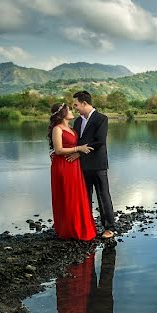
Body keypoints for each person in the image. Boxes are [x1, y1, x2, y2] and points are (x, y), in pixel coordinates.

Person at [70, 91, 116, 239]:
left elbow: (100, 141)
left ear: (84, 103)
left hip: (98, 164)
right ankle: (87, 226)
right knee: (85, 197)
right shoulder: (77, 121)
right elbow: (76, 142)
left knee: (103, 196)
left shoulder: (101, 118)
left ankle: (109, 227)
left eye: (76, 104)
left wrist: (80, 153)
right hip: (81, 166)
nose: (75, 107)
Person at [48, 103, 96, 241]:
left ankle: (78, 227)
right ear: (62, 113)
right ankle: (68, 229)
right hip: (63, 166)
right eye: (69, 109)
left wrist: (79, 152)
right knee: (67, 195)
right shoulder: (57, 129)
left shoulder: (71, 128)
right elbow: (58, 150)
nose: (71, 111)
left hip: (74, 165)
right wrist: (78, 149)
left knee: (76, 195)